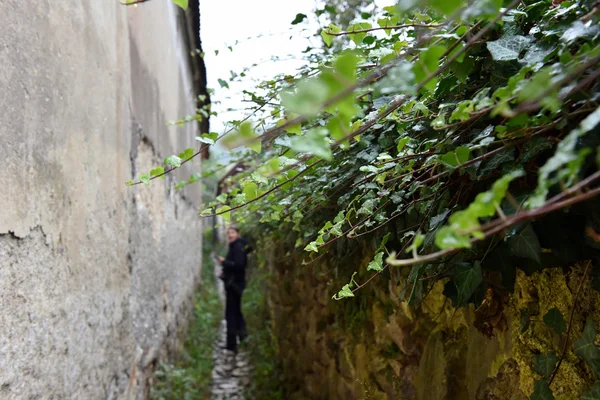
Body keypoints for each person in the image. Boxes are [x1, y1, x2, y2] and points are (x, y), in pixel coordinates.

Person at [217, 226, 252, 353]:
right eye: (228, 233)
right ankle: (243, 338)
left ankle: (231, 344)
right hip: (236, 284)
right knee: (236, 312)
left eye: (232, 233)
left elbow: (239, 265)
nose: (230, 235)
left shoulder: (237, 246)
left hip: (234, 285)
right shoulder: (238, 245)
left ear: (238, 233)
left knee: (231, 314)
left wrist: (224, 262)